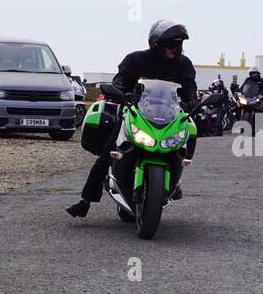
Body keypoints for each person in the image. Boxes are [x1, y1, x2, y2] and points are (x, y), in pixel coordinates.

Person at [67, 20, 197, 218]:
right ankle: (85, 200)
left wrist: (193, 102)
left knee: (188, 134)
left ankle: (175, 182)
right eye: (172, 45)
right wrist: (118, 91)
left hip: (168, 117)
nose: (176, 50)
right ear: (156, 44)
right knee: (108, 152)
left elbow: (190, 90)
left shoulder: (183, 64)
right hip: (136, 114)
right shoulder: (135, 60)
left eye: (179, 45)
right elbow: (120, 82)